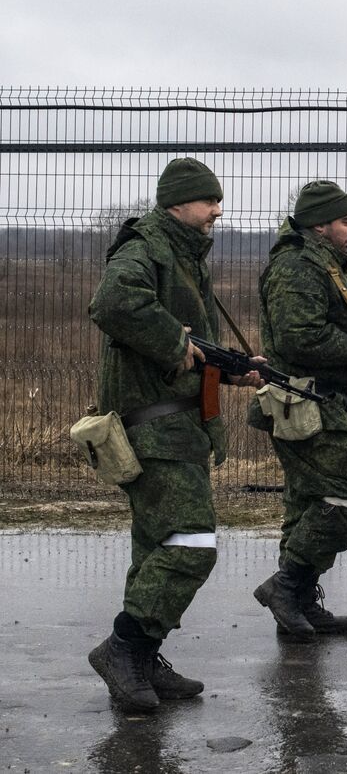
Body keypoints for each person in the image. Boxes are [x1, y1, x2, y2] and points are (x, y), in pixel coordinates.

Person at [87, 157, 263, 712]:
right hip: (154, 424)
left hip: (178, 422)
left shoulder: (185, 257)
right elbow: (114, 304)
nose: (217, 210)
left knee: (157, 548)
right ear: (177, 203)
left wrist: (234, 369)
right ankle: (123, 648)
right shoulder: (148, 247)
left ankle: (142, 661)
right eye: (209, 201)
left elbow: (195, 349)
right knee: (192, 544)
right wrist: (173, 341)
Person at [249, 181, 347, 641]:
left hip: (323, 399)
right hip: (304, 400)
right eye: (346, 221)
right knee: (346, 501)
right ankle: (286, 588)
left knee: (306, 502)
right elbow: (297, 337)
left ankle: (298, 603)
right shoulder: (299, 266)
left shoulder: (325, 264)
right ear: (320, 225)